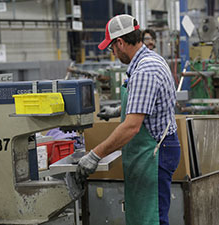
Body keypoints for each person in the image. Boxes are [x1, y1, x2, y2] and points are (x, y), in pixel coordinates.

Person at [75, 14, 180, 225]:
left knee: (152, 218)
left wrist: (95, 155)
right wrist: (119, 110)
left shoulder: (144, 70)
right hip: (156, 150)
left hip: (154, 154)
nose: (113, 53)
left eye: (111, 48)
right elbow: (147, 101)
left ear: (120, 43)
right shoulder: (150, 59)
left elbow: (131, 127)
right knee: (148, 215)